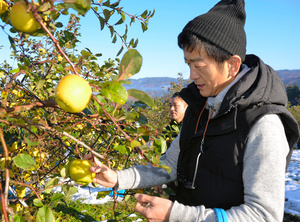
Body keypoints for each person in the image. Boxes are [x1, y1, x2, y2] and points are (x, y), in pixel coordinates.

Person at [86, 0, 300, 221]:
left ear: (233, 65)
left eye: (198, 66)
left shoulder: (263, 125)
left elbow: (264, 215)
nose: (191, 76)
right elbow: (169, 165)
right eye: (188, 64)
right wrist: (117, 178)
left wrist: (176, 214)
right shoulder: (200, 108)